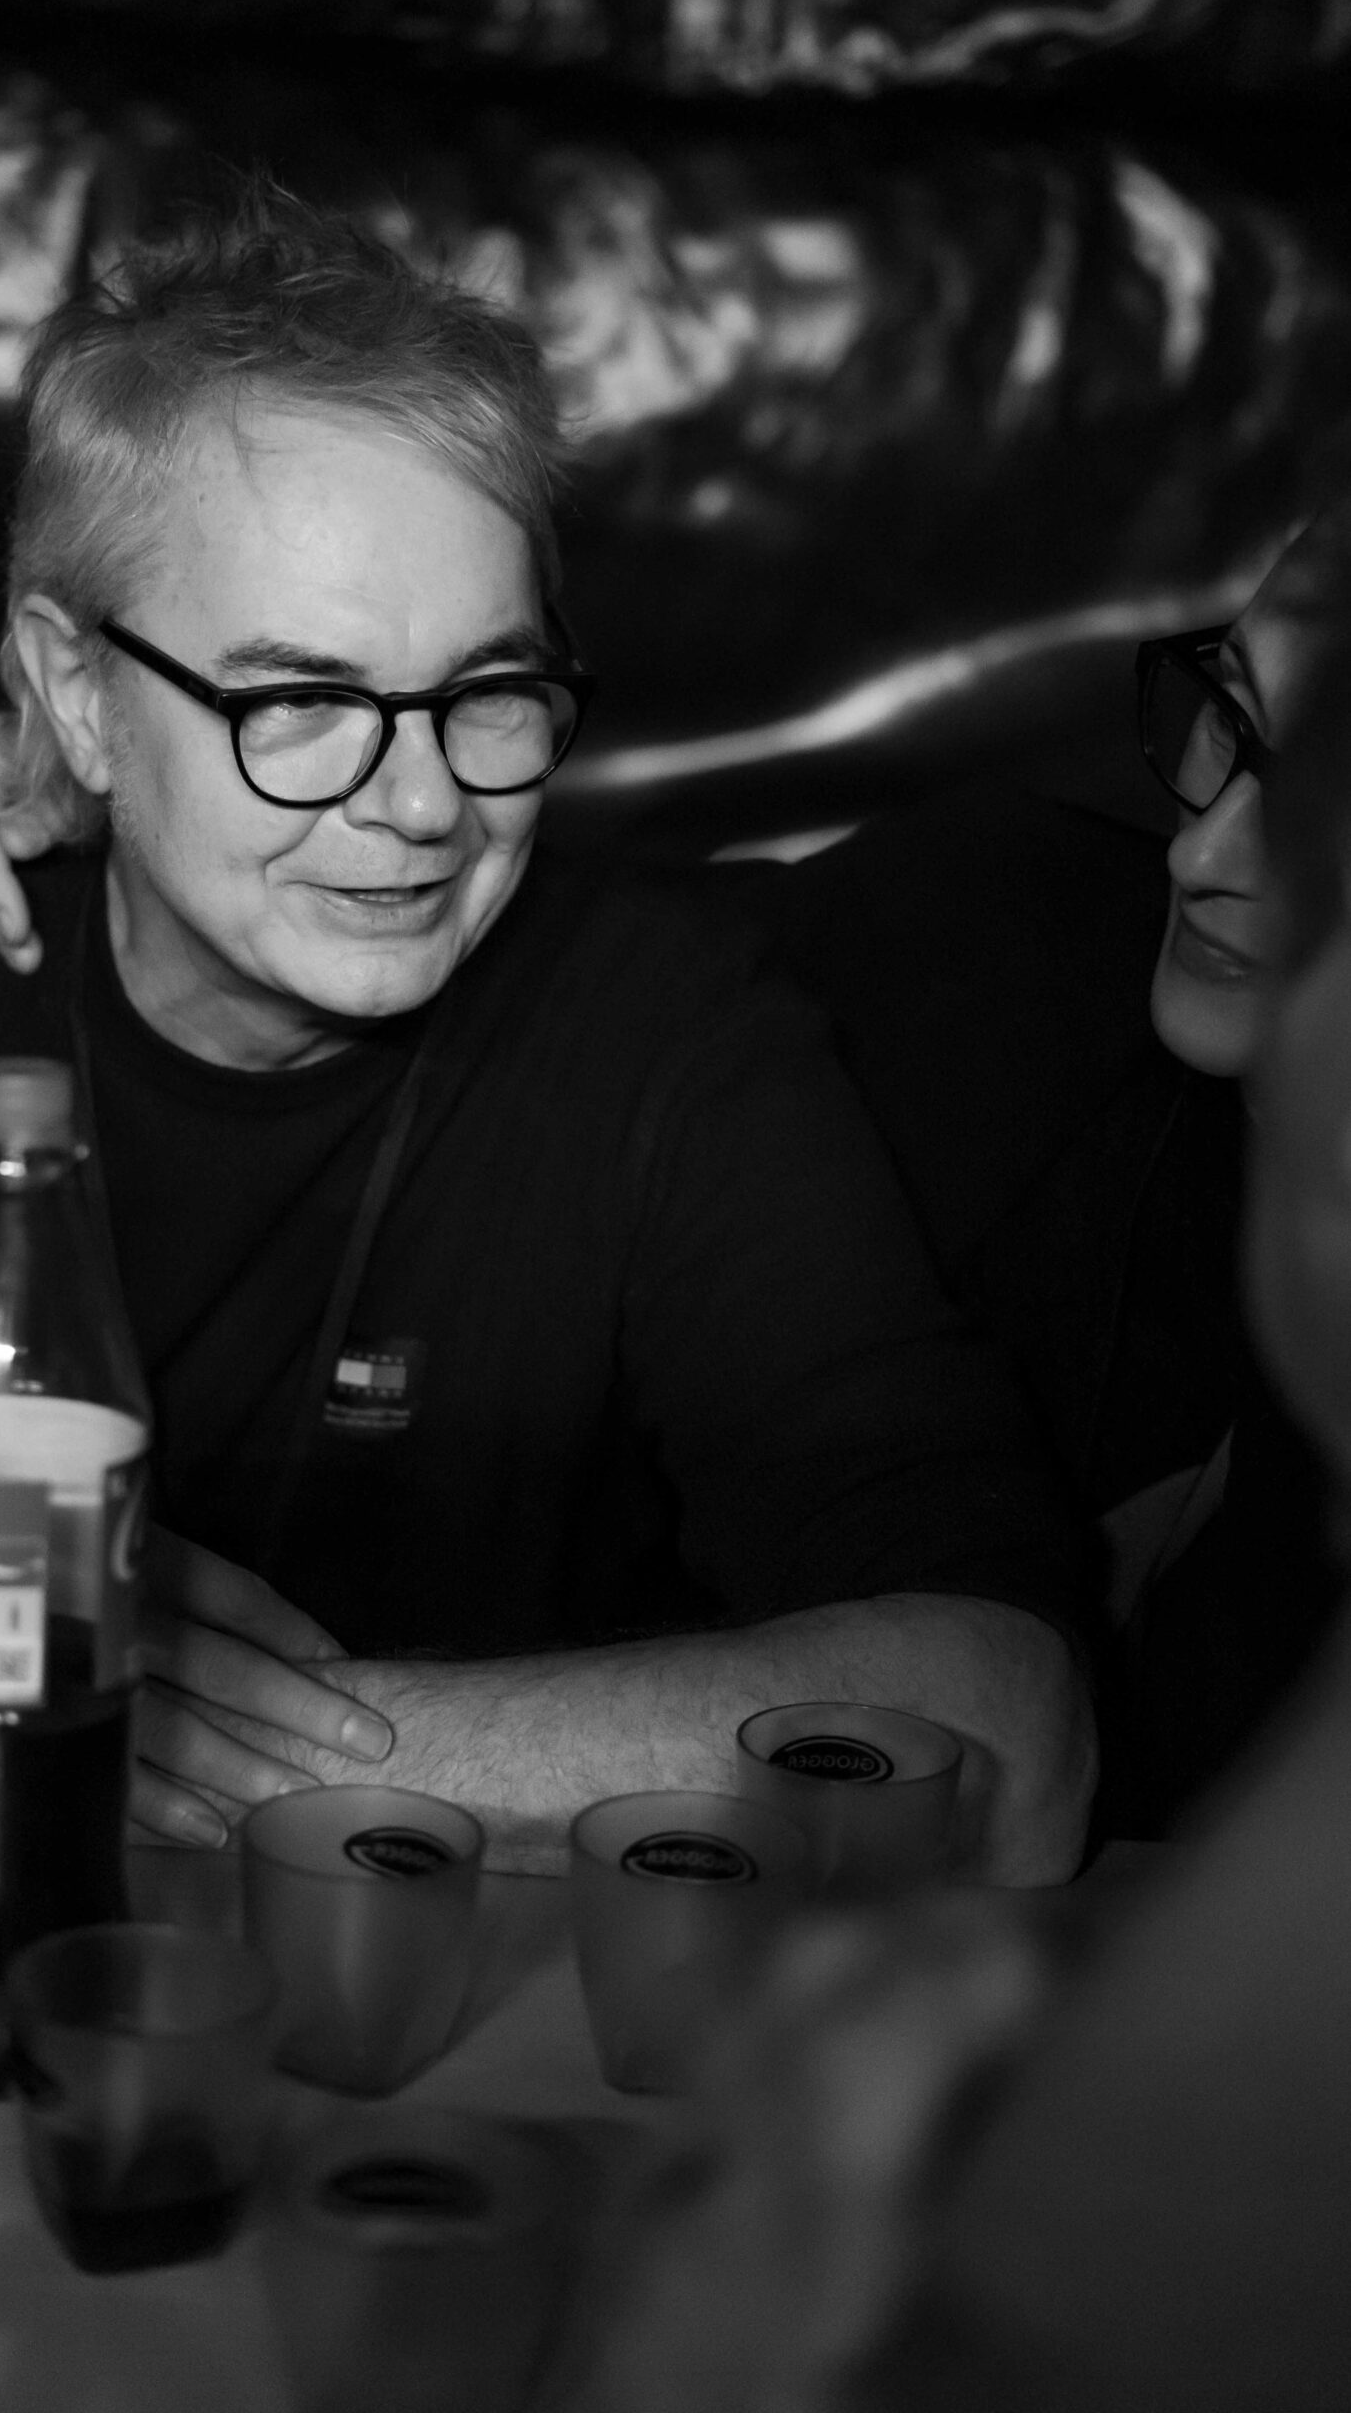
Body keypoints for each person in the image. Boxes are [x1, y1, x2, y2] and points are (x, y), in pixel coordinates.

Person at [0, 184, 1096, 1876]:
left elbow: (1016, 1730)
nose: (426, 803)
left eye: (487, 693)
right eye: (303, 702)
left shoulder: (662, 1040)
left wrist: (209, 1751)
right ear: (76, 691)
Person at [554, 499, 1351, 2413]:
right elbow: (498, 958)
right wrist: (101, 827)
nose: (1212, 843)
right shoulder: (989, 931)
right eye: (1227, 725)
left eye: (1330, 816)